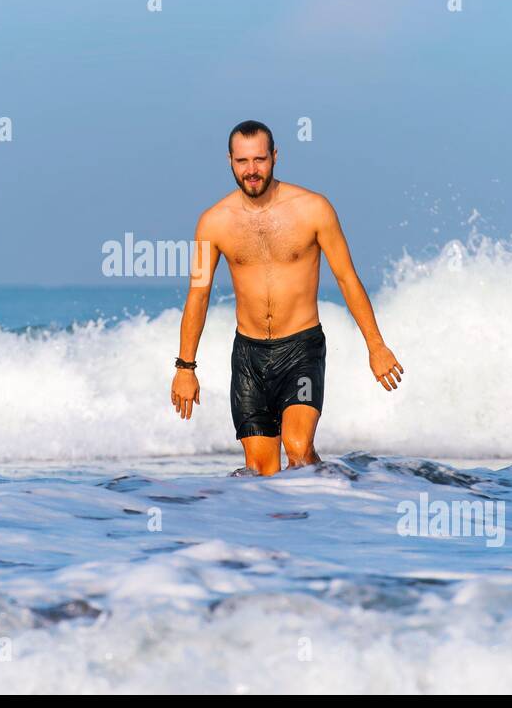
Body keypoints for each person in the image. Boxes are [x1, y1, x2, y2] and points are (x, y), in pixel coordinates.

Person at [170, 120, 403, 476]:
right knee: (261, 472)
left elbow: (347, 278)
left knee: (297, 448)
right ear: (230, 162)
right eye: (242, 161)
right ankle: (298, 522)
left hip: (301, 351)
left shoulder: (313, 209)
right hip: (249, 357)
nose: (252, 170)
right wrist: (185, 368)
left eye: (260, 160)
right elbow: (199, 295)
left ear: (275, 157)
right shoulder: (214, 223)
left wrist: (376, 346)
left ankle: (335, 496)